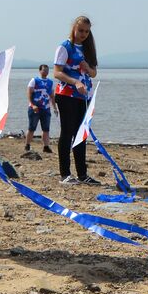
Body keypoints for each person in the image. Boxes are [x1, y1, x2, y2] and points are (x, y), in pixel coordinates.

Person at [54, 16, 99, 184]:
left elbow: (93, 73)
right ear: (74, 28)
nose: (83, 34)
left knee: (81, 135)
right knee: (67, 133)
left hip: (83, 96)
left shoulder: (88, 48)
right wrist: (75, 81)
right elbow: (57, 72)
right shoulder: (65, 47)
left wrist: (88, 68)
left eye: (86, 31)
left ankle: (82, 174)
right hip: (66, 95)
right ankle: (65, 174)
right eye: (80, 30)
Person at [24, 64, 55, 154]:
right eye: (44, 70)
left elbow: (52, 96)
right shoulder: (34, 80)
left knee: (46, 129)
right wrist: (33, 105)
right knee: (32, 127)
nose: (46, 72)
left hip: (46, 108)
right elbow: (29, 93)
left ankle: (46, 146)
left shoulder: (50, 82)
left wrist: (54, 107)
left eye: (47, 70)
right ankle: (27, 145)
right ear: (40, 71)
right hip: (35, 108)